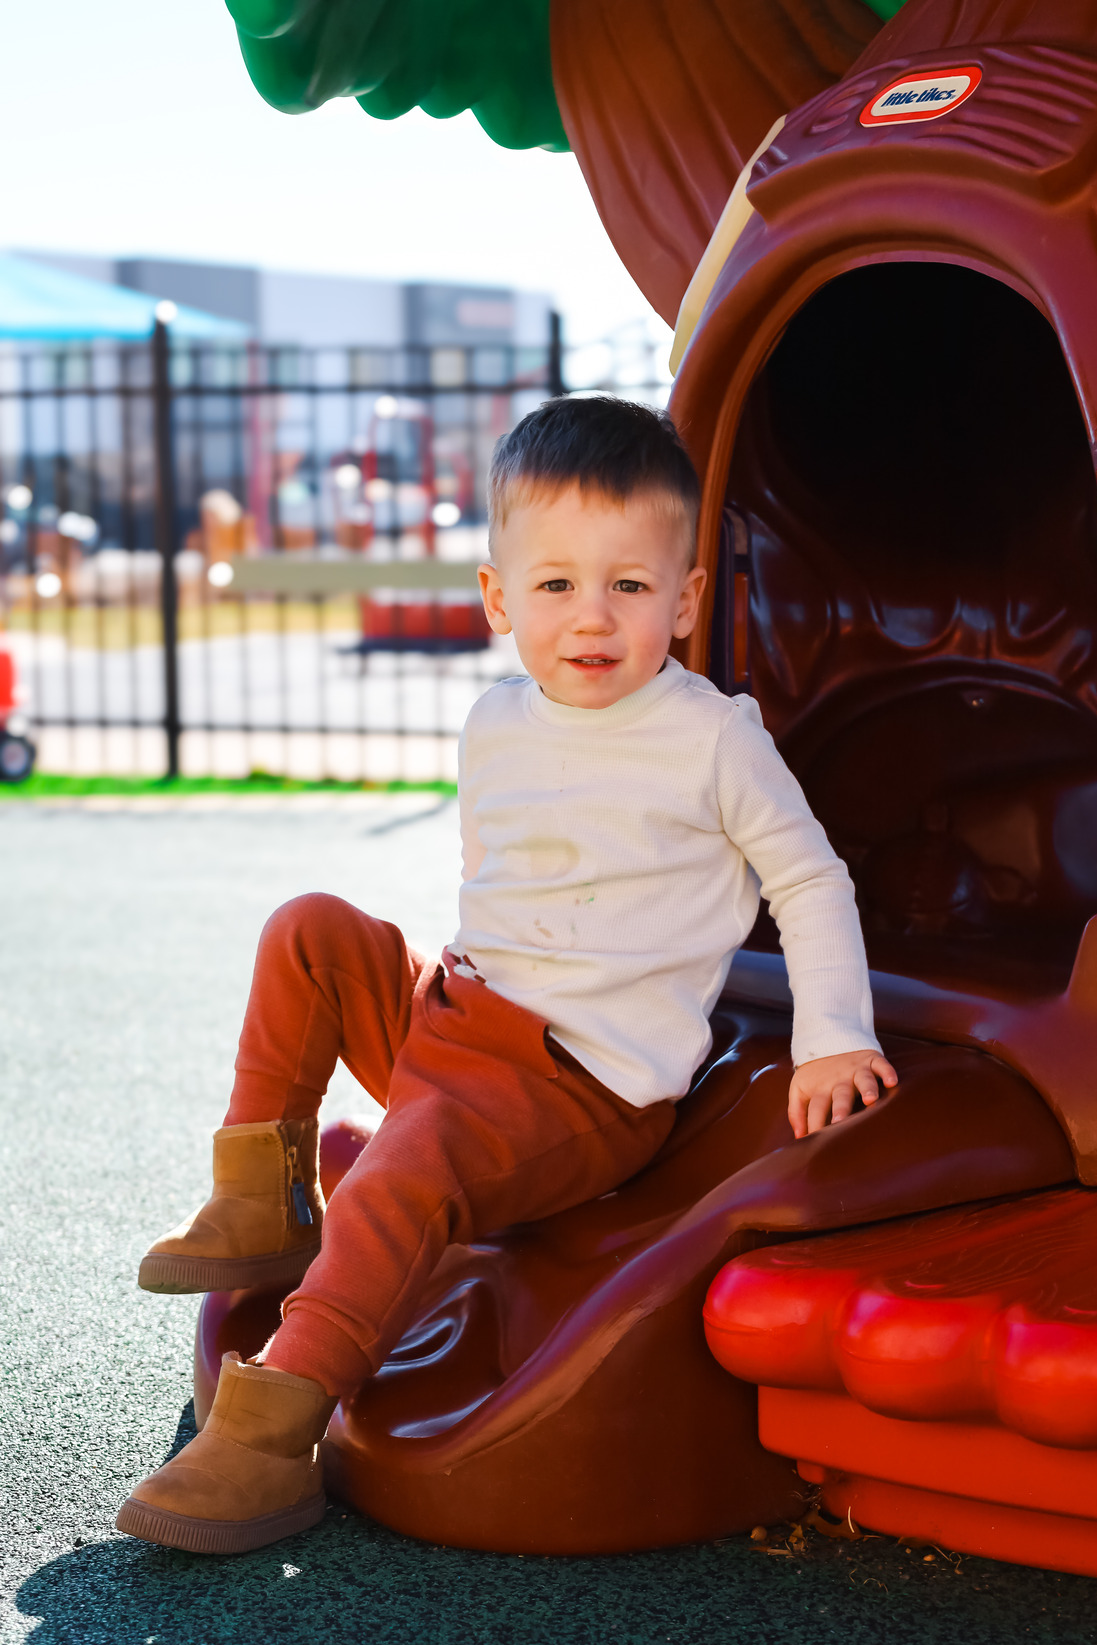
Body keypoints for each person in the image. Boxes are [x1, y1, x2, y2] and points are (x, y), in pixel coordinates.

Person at [116, 396, 897, 1555]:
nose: (593, 617)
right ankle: (263, 1201)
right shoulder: (496, 721)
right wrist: (441, 1011)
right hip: (461, 1023)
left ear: (685, 601)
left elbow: (810, 880)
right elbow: (505, 892)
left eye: (630, 586)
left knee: (404, 1165)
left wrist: (835, 1033)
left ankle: (274, 1430)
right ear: (498, 598)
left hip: (578, 1084)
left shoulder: (712, 739)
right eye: (556, 584)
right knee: (311, 929)